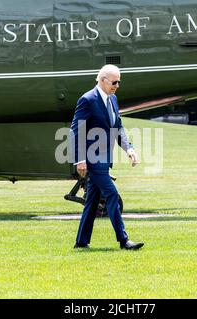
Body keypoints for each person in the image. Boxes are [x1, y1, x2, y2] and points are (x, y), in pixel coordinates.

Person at [69, 64, 144, 250]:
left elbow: (117, 127)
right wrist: (79, 159)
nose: (117, 85)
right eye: (114, 82)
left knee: (92, 201)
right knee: (111, 194)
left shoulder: (113, 99)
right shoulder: (87, 100)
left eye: (119, 82)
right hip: (91, 160)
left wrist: (129, 149)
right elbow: (76, 130)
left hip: (104, 159)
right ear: (103, 80)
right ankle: (124, 241)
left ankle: (81, 242)